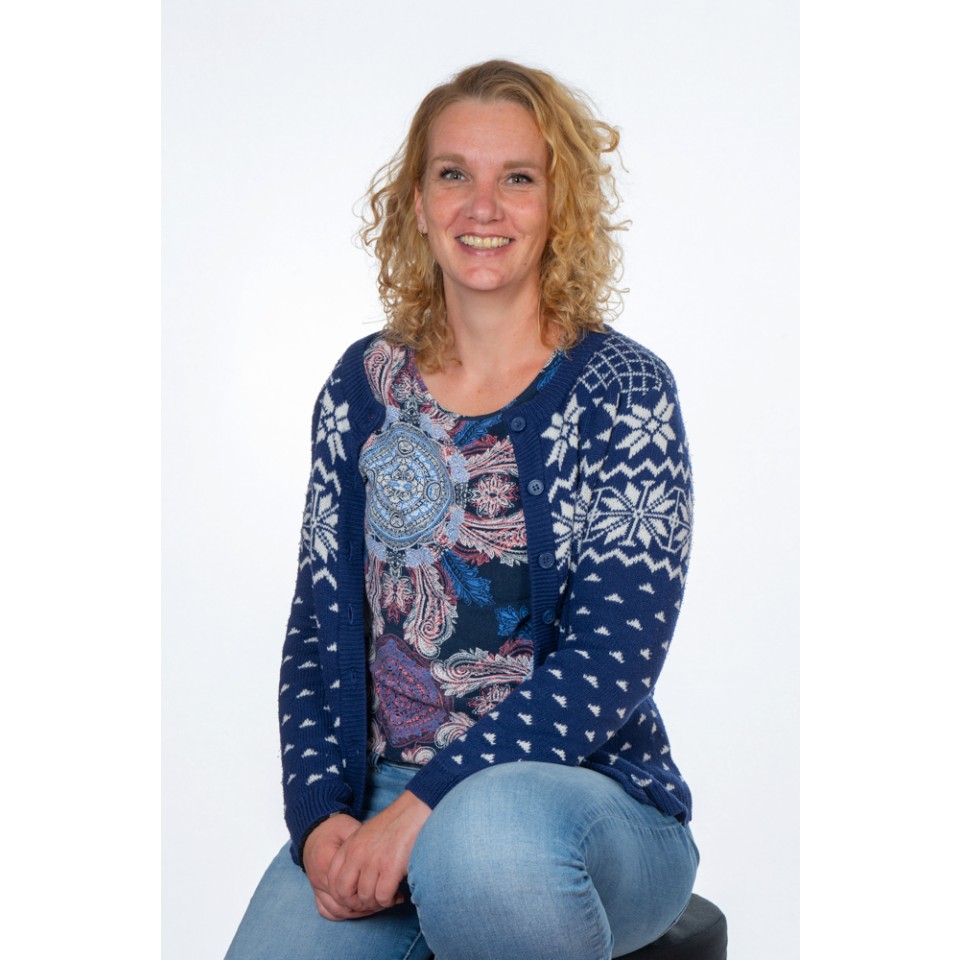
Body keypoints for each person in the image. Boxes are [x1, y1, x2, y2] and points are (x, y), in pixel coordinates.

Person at [225, 59, 699, 960]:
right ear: (416, 201)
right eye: (454, 174)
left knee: (486, 843)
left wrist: (428, 805)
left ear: (559, 206)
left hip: (583, 805)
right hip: (383, 796)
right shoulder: (364, 386)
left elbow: (613, 659)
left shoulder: (623, 391)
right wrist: (320, 820)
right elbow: (317, 630)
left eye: (517, 178)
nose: (484, 207)